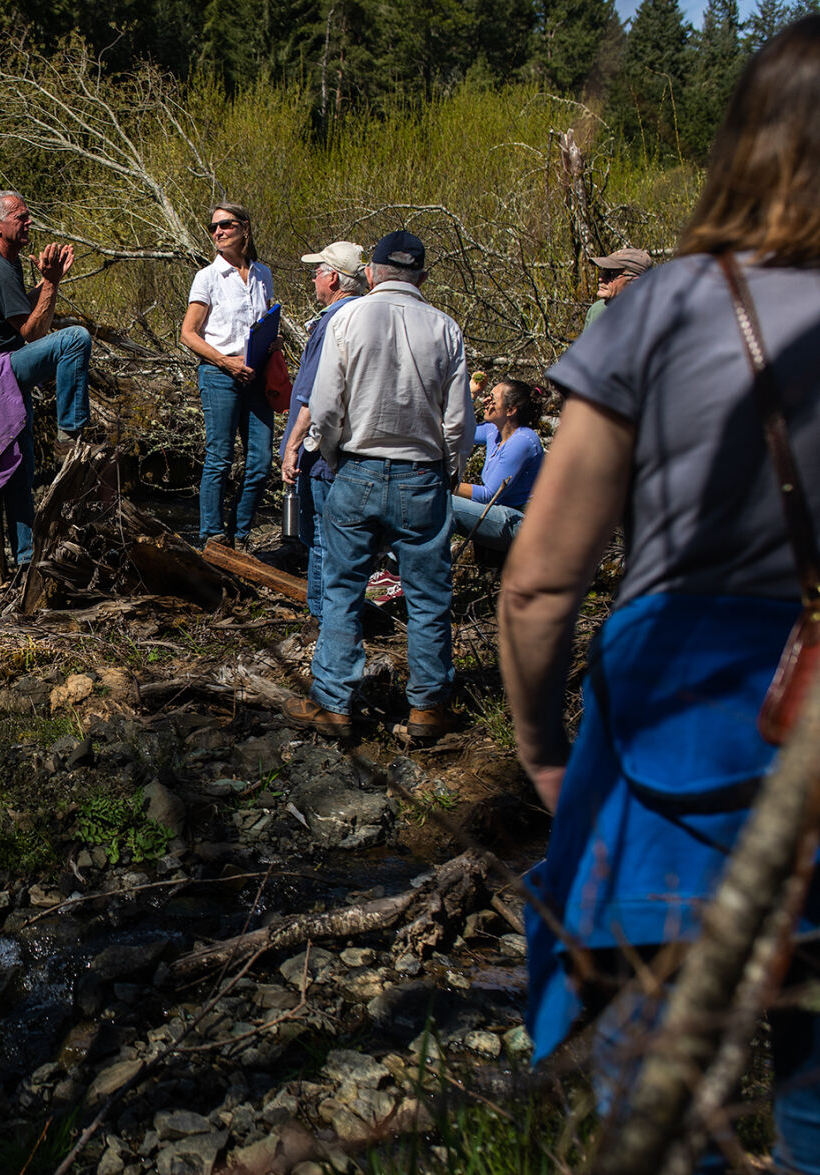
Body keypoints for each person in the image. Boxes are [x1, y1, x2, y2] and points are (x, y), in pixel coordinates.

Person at [501, 17, 820, 1171]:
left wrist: (540, 747)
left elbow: (539, 580)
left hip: (675, 746)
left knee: (645, 1099)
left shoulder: (662, 304)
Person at [284, 229, 473, 741]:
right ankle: (428, 708)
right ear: (423, 276)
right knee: (430, 596)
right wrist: (448, 471)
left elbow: (324, 404)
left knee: (342, 587)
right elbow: (458, 423)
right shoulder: (446, 328)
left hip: (358, 467)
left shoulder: (348, 317)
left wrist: (332, 454)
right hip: (422, 473)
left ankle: (334, 703)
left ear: (372, 273)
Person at [0, 190, 93, 568]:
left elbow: (20, 311)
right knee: (75, 339)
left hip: (4, 363)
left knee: (22, 467)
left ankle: (23, 559)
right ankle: (71, 434)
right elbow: (32, 333)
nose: (29, 222)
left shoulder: (4, 262)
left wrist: (47, 282)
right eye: (21, 217)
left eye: (28, 215)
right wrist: (50, 284)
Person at [180, 203, 275, 550]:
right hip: (220, 373)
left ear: (244, 228)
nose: (218, 232)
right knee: (220, 456)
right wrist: (224, 361)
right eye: (213, 227)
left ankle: (240, 533)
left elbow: (262, 324)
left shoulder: (263, 273)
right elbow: (188, 334)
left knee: (262, 460)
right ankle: (212, 535)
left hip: (257, 375)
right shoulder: (207, 277)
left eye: (226, 225)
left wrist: (271, 340)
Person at [280, 240, 368, 618]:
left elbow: (314, 394)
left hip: (322, 451)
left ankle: (322, 620)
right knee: (345, 539)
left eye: (317, 272)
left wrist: (293, 446)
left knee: (320, 537)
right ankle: (339, 617)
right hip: (352, 447)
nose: (313, 279)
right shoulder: (366, 315)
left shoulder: (333, 321)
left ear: (333, 277)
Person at [448, 377, 546, 550]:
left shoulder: (522, 441)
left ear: (510, 410)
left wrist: (444, 483)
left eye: (492, 398)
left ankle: (396, 568)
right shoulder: (493, 431)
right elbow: (459, 433)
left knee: (440, 501)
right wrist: (470, 394)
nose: (486, 401)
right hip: (501, 512)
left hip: (523, 523)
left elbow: (488, 495)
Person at [582, 247, 652, 331]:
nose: (601, 279)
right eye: (603, 272)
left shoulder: (654, 315)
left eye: (610, 274)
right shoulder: (596, 311)